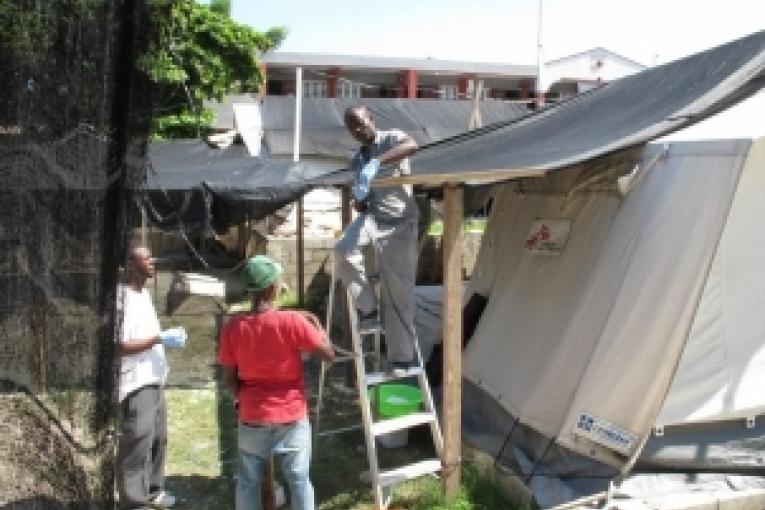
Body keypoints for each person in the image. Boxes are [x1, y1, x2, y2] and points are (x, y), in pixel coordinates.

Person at [218, 255, 334, 510]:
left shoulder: (232, 328)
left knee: (248, 481)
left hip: (252, 415)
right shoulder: (292, 322)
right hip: (290, 415)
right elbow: (328, 355)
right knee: (299, 480)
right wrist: (316, 325)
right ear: (272, 288)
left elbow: (229, 379)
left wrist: (242, 401)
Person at [335, 105, 419, 374]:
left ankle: (401, 360)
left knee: (399, 295)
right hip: (373, 219)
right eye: (352, 129)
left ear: (371, 119)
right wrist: (359, 197)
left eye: (360, 124)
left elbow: (412, 145)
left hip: (401, 225)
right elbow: (361, 205)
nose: (358, 131)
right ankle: (368, 310)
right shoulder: (357, 160)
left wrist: (378, 162)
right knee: (343, 249)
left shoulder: (391, 138)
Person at [116, 245, 187, 510]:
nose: (152, 261)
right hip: (136, 383)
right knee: (137, 441)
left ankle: (153, 491)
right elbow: (119, 345)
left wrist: (163, 338)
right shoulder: (120, 298)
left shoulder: (143, 293)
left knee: (158, 438)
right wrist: (159, 338)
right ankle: (133, 502)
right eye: (146, 258)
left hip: (155, 379)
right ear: (130, 265)